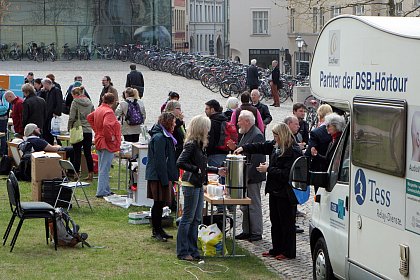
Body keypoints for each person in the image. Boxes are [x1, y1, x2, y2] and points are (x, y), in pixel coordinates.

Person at [234, 123, 302, 260]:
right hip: (275, 190)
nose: (274, 138)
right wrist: (243, 148)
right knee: (275, 221)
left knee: (286, 223)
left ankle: (288, 251)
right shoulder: (276, 146)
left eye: (276, 136)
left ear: (282, 135)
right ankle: (276, 248)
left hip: (286, 192)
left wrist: (268, 169)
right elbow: (261, 146)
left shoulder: (293, 150)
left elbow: (286, 174)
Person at [176, 115, 225, 261]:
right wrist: (195, 169)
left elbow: (202, 166)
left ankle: (193, 249)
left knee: (197, 219)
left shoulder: (200, 144)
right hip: (190, 184)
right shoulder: (191, 144)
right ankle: (183, 251)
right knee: (188, 218)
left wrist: (216, 170)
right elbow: (180, 162)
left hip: (198, 184)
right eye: (207, 128)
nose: (208, 131)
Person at [227, 110, 265, 242]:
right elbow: (244, 152)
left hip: (252, 176)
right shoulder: (246, 133)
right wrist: (235, 148)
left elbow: (257, 159)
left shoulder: (257, 135)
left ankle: (256, 232)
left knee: (253, 204)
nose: (237, 123)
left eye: (239, 120)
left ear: (247, 121)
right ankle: (247, 230)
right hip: (245, 175)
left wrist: (247, 177)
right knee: (245, 206)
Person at [145, 112, 179, 242]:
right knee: (158, 203)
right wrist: (165, 180)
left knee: (160, 203)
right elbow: (160, 161)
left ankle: (159, 229)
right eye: (173, 122)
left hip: (161, 175)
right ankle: (156, 230)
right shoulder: (160, 137)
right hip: (158, 176)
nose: (175, 125)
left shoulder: (164, 136)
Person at [87, 93, 122, 198]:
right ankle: (101, 191)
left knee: (103, 166)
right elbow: (107, 125)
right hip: (106, 142)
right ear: (113, 101)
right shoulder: (109, 112)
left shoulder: (99, 108)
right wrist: (110, 137)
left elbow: (89, 118)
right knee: (104, 168)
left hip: (99, 139)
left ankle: (106, 189)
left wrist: (97, 130)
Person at [67, 86, 95, 180]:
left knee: (77, 153)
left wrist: (69, 127)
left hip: (78, 129)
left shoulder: (75, 102)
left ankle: (76, 174)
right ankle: (90, 173)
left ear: (75, 94)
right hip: (88, 130)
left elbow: (71, 117)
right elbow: (93, 115)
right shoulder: (89, 102)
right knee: (88, 153)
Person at [305, 104, 333, 193]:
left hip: (319, 170)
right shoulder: (337, 130)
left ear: (320, 116)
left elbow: (309, 152)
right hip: (333, 168)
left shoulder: (316, 132)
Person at [40, 78, 63, 145]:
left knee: (52, 131)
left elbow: (59, 102)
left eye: (44, 85)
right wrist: (42, 92)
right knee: (46, 131)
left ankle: (56, 144)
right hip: (47, 114)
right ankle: (48, 143)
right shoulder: (47, 92)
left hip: (53, 115)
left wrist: (56, 112)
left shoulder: (56, 91)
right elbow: (42, 99)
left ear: (47, 84)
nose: (43, 86)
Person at [0, 89, 9, 155]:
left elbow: (6, 107)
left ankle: (3, 152)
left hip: (2, 118)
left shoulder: (3, 94)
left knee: (3, 135)